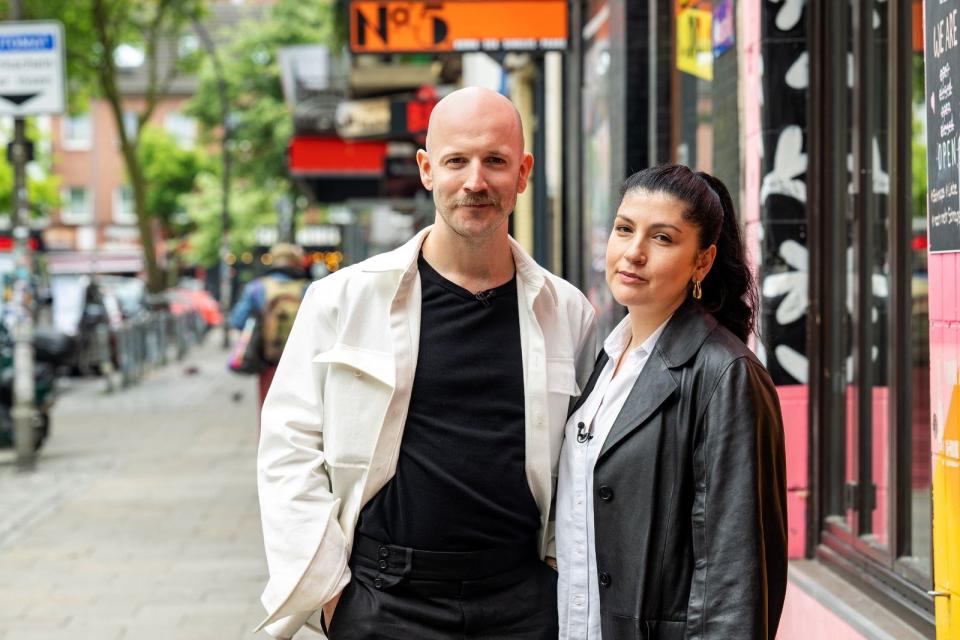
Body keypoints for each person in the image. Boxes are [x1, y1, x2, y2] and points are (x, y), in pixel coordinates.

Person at [255, 87, 598, 640]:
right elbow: (288, 448)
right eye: (457, 160)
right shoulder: (344, 301)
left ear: (524, 171)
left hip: (524, 603)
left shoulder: (568, 312)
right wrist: (329, 596)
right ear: (426, 170)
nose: (476, 181)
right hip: (383, 602)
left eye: (495, 161)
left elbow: (585, 462)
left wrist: (558, 573)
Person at [556, 165, 787, 639]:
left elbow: (735, 574)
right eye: (624, 230)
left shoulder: (726, 375)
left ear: (701, 262)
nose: (633, 253)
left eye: (662, 239)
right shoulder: (603, 361)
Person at [229, 242, 309, 408]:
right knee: (298, 409)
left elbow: (237, 320)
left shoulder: (257, 287)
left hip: (267, 361)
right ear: (295, 262)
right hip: (301, 362)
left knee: (268, 409)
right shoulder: (307, 288)